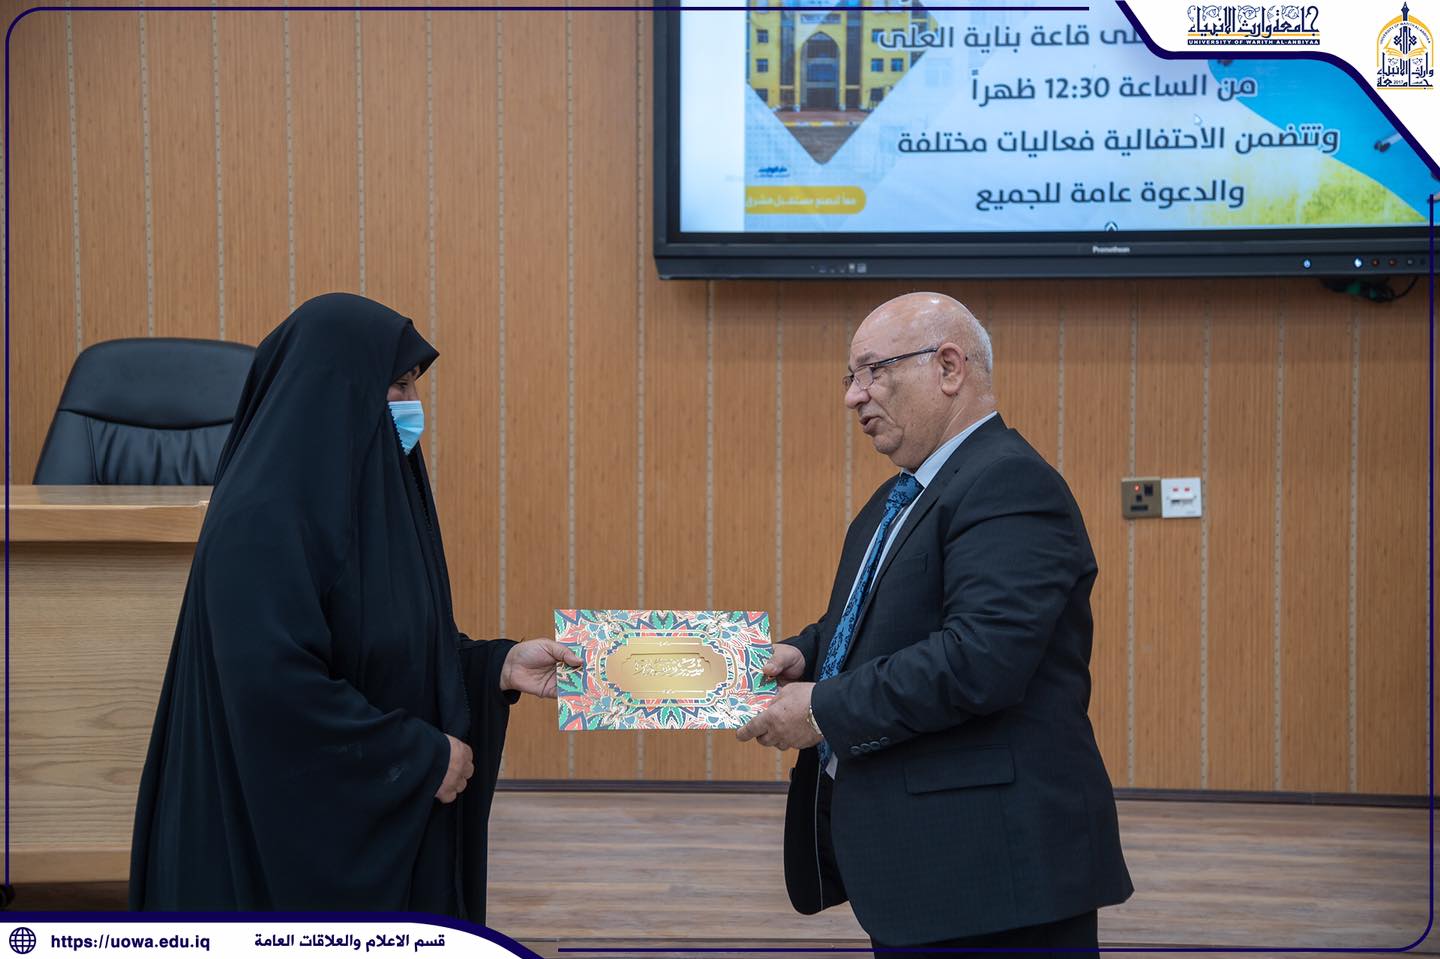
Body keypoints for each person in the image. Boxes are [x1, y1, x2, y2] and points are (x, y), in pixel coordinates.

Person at [129, 293, 578, 917]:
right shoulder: (259, 522)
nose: (412, 406)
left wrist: (495, 666)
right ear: (332, 391)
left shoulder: (370, 504)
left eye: (414, 386)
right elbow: (270, 692)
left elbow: (385, 647)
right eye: (397, 385)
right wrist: (416, 759)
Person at [737, 292, 1132, 956]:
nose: (853, 397)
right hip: (933, 872)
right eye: (850, 377)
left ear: (949, 367)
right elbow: (873, 620)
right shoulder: (901, 496)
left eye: (872, 371)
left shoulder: (1009, 482)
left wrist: (824, 709)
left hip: (992, 877)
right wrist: (802, 653)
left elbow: (981, 657)